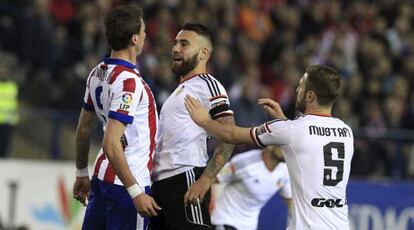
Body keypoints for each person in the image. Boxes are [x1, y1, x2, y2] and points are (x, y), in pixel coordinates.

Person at [185, 65, 354, 230]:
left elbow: (232, 135)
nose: (297, 91)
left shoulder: (292, 131)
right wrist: (283, 121)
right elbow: (309, 143)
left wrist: (204, 121)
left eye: (300, 87)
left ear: (310, 96)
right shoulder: (346, 132)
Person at [72, 5, 160, 230]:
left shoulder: (97, 73)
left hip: (101, 179)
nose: (145, 35)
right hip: (126, 185)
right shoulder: (129, 82)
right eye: (143, 30)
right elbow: (111, 143)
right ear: (133, 38)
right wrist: (136, 193)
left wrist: (82, 172)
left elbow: (83, 130)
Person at [149, 23, 235, 229]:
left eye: (184, 44)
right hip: (161, 184)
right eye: (176, 42)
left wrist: (206, 179)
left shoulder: (208, 84)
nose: (176, 48)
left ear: (203, 53)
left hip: (185, 179)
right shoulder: (179, 90)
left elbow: (229, 134)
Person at [211, 146, 292, 230]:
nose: (286, 148)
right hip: (226, 221)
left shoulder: (285, 170)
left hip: (250, 226)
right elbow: (213, 179)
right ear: (270, 144)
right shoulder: (244, 161)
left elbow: (290, 202)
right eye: (281, 143)